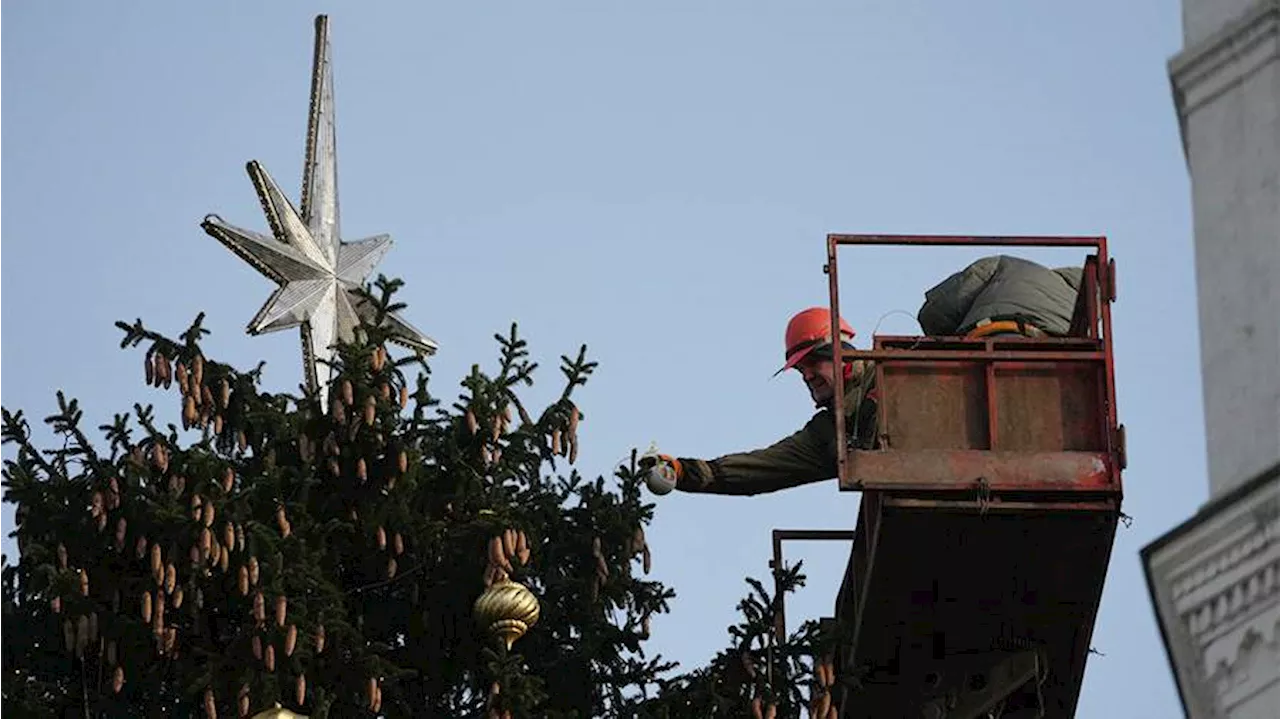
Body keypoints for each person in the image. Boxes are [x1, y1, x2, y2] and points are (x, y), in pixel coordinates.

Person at [640, 307, 878, 496]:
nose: (807, 376)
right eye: (800, 370)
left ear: (840, 351)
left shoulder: (889, 372)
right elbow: (761, 467)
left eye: (814, 363)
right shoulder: (827, 431)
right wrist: (683, 472)